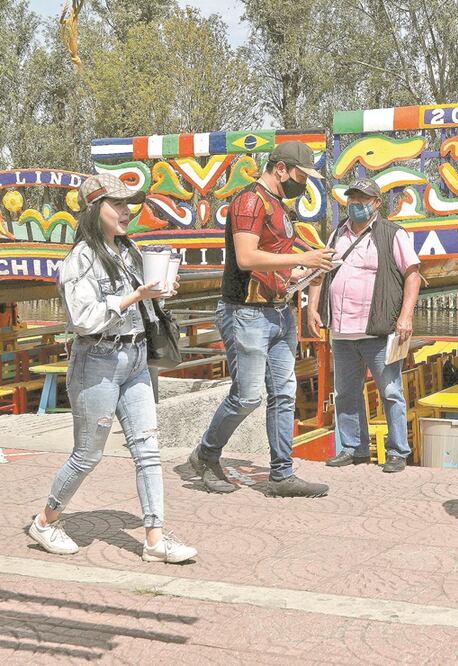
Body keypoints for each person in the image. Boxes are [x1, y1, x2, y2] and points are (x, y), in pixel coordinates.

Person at [28, 174, 196, 563]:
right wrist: (134, 295)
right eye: (117, 204)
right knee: (88, 455)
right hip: (97, 362)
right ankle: (45, 521)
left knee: (148, 449)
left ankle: (154, 540)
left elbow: (141, 304)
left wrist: (157, 294)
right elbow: (84, 318)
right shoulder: (81, 259)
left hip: (136, 359)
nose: (126, 212)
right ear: (94, 210)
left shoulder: (129, 250)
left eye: (128, 205)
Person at [190, 141, 335, 497]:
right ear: (281, 169)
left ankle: (282, 473)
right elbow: (246, 257)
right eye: (301, 175)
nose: (304, 183)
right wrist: (303, 259)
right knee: (247, 396)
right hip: (246, 312)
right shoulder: (249, 201)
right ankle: (206, 454)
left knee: (284, 394)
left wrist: (299, 273)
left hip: (278, 311)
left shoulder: (277, 205)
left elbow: (269, 260)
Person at [307, 178, 421, 473]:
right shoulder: (337, 234)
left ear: (376, 203)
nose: (355, 204)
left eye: (362, 199)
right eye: (352, 199)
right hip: (342, 332)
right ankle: (352, 448)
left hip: (378, 330)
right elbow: (320, 272)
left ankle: (397, 451)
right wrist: (312, 308)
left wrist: (406, 316)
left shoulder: (392, 234)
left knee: (390, 392)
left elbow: (412, 275)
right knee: (345, 392)